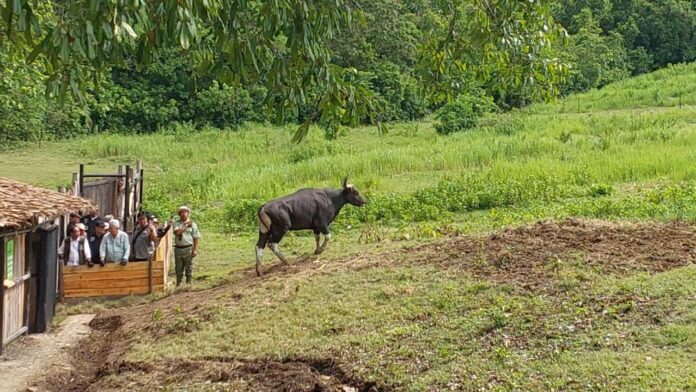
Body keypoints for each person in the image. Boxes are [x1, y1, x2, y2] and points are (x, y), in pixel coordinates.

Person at [173, 206, 201, 286]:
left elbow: (196, 238)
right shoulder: (177, 223)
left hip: (188, 248)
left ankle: (189, 284)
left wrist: (195, 250)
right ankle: (179, 285)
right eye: (182, 212)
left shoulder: (193, 225)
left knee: (189, 268)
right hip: (178, 249)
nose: (184, 214)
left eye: (185, 212)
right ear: (179, 214)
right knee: (178, 268)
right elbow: (177, 232)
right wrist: (186, 226)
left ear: (188, 213)